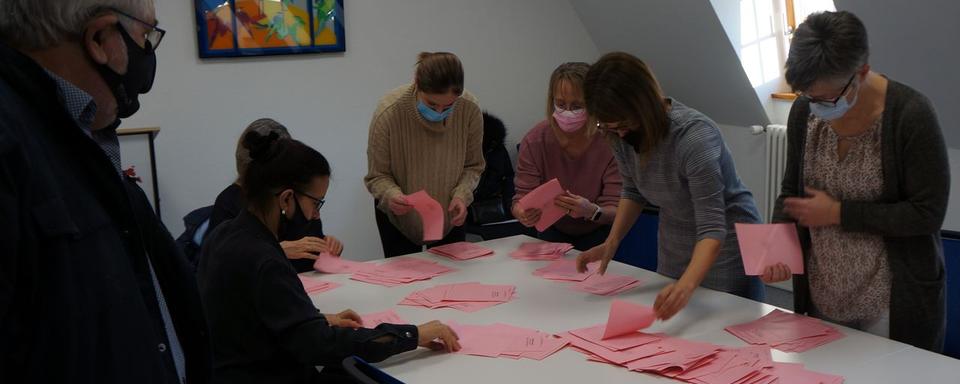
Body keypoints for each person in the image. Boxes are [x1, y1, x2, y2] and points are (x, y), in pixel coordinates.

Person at [0, 1, 210, 383]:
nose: (147, 56)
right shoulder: (16, 145)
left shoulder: (81, 135)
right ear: (99, 39)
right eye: (145, 36)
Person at [198, 131, 460, 384]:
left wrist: (314, 319)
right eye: (316, 203)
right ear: (286, 199)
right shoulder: (265, 259)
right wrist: (411, 335)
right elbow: (321, 345)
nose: (316, 216)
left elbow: (255, 317)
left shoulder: (225, 234)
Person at [763, 11, 949, 352]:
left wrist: (838, 214)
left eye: (827, 99)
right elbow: (791, 192)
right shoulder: (805, 112)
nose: (816, 106)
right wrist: (777, 250)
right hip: (823, 291)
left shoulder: (911, 115)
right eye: (807, 95)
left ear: (861, 73)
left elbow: (927, 213)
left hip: (892, 302)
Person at [576, 52, 764, 321]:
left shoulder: (694, 136)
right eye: (608, 126)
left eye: (623, 125)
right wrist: (611, 243)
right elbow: (633, 189)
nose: (618, 134)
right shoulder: (617, 133)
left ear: (643, 105)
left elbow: (712, 227)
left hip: (725, 244)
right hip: (675, 237)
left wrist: (686, 286)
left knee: (725, 326)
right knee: (675, 326)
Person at [365, 52, 485, 257]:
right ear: (416, 84)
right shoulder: (389, 111)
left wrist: (462, 194)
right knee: (404, 282)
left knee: (451, 282)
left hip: (450, 216)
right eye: (431, 104)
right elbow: (377, 176)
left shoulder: (469, 109)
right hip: (399, 220)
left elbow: (473, 165)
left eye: (448, 106)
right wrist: (391, 195)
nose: (439, 112)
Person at [208, 118, 343, 272]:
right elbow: (224, 262)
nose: (316, 214)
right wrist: (276, 250)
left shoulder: (298, 204)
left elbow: (313, 248)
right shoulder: (232, 206)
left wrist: (326, 247)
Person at [513, 62, 622, 251]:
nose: (568, 112)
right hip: (550, 230)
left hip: (600, 231)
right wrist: (522, 213)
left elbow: (618, 207)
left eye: (577, 106)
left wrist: (593, 211)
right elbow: (520, 198)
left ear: (593, 104)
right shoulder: (535, 140)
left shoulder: (611, 142)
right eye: (561, 104)